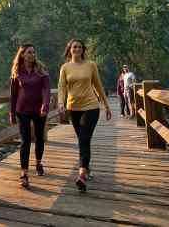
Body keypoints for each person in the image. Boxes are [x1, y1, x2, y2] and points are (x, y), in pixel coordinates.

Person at [58, 39, 111, 192]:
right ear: (70, 49)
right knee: (83, 140)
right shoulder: (65, 67)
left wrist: (106, 105)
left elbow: (98, 85)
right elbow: (61, 87)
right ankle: (86, 167)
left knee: (84, 138)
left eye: (80, 47)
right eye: (75, 47)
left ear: (83, 50)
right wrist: (61, 103)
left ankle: (81, 174)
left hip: (91, 106)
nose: (77, 49)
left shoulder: (91, 65)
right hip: (73, 108)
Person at [9, 44, 51, 189]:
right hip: (22, 110)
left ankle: (38, 162)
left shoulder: (41, 71)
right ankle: (24, 173)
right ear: (22, 55)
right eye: (29, 52)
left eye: (33, 52)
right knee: (25, 141)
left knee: (39, 138)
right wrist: (11, 113)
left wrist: (45, 105)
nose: (32, 54)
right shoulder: (17, 72)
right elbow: (13, 95)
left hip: (39, 110)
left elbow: (46, 90)